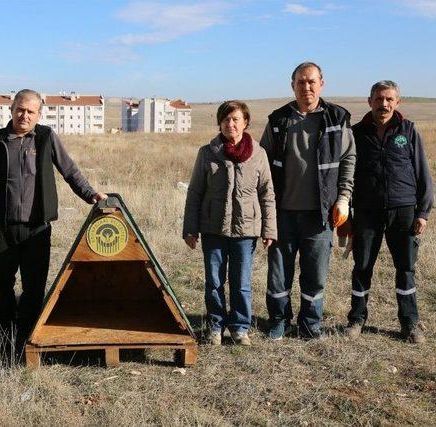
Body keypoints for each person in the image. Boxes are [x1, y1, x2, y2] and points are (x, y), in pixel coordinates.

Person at [0, 89, 107, 350]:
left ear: (39, 114)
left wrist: (90, 194)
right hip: (2, 229)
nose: (24, 115)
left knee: (34, 284)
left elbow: (69, 170)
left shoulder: (45, 137)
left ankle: (28, 333)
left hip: (37, 228)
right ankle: (6, 334)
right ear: (11, 109)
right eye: (20, 109)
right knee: (2, 283)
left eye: (31, 111)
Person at [261, 62, 356, 339]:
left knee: (315, 275)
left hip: (321, 214)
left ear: (322, 84)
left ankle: (309, 324)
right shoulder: (278, 120)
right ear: (292, 86)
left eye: (312, 81)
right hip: (283, 213)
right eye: (301, 82)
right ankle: (279, 320)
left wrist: (343, 197)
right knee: (279, 275)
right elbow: (264, 165)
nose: (307, 87)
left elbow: (348, 159)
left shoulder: (337, 119)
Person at [345, 80, 433, 344]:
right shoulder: (356, 133)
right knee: (362, 266)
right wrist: (346, 211)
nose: (384, 104)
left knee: (405, 267)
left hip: (403, 210)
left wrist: (423, 212)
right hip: (366, 211)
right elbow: (347, 174)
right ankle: (357, 319)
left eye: (389, 99)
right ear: (369, 101)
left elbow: (423, 173)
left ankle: (410, 324)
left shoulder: (408, 131)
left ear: (398, 102)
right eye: (379, 99)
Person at [183, 100, 277, 346]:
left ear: (245, 123)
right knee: (214, 281)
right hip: (213, 228)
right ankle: (215, 326)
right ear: (219, 123)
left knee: (241, 282)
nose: (231, 124)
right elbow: (195, 193)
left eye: (236, 119)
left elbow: (267, 193)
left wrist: (269, 229)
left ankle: (239, 327)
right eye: (226, 119)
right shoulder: (207, 153)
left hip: (246, 231)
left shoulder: (258, 154)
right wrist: (190, 228)